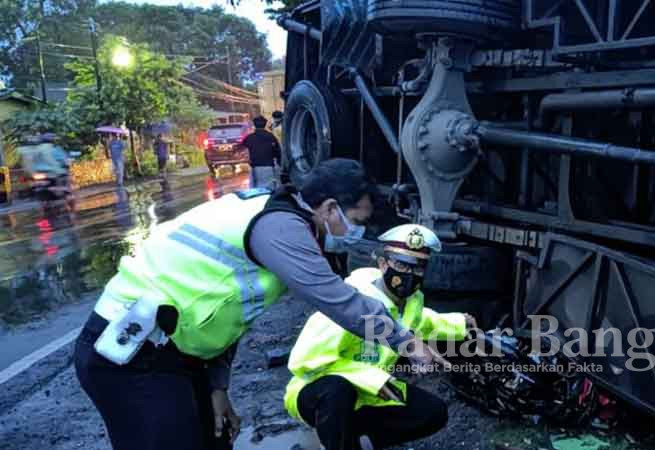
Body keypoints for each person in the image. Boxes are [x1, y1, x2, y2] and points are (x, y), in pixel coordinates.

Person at [73, 159, 441, 450]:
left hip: (175, 355)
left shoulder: (280, 216)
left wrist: (217, 387)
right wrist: (408, 342)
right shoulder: (281, 229)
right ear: (329, 208)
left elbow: (228, 312)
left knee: (215, 441)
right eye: (356, 221)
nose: (356, 233)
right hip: (128, 356)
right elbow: (341, 302)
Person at [284, 224, 478, 450]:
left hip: (368, 392)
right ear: (383, 263)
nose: (409, 275)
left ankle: (359, 442)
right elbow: (304, 362)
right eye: (401, 265)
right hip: (316, 392)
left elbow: (421, 321)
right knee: (337, 390)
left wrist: (459, 324)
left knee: (434, 412)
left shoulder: (410, 303)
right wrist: (373, 379)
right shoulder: (348, 305)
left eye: (418, 268)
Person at [242, 115, 281, 189]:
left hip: (255, 168)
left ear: (254, 125)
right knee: (270, 190)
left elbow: (242, 150)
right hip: (269, 167)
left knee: (256, 190)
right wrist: (279, 164)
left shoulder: (249, 138)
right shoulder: (271, 136)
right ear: (265, 124)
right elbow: (278, 152)